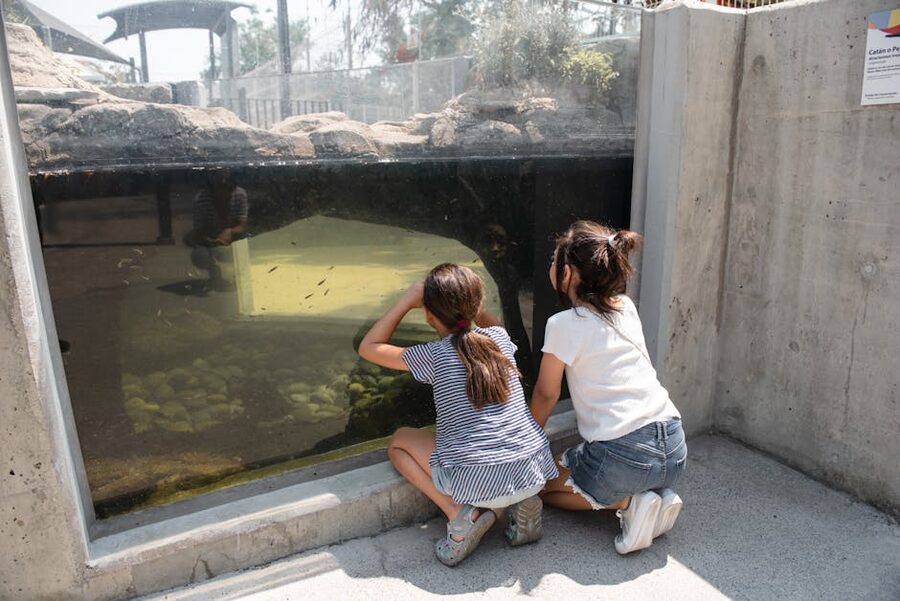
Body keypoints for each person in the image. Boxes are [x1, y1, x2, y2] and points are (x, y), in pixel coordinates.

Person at [358, 263, 558, 567]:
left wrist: (407, 299)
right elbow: (493, 326)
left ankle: (461, 516)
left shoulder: (433, 356)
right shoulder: (500, 341)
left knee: (399, 442)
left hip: (479, 481)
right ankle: (521, 503)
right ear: (477, 305)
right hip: (532, 472)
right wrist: (472, 305)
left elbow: (369, 347)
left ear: (427, 314)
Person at [530, 221, 686, 555]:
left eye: (554, 261)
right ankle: (658, 494)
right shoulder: (625, 307)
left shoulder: (562, 325)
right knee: (566, 463)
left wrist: (525, 443)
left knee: (540, 483)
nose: (550, 267)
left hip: (625, 457)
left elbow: (546, 394)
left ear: (568, 273)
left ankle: (629, 502)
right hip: (674, 446)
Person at [182, 170, 248, 290]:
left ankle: (240, 276)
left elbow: (242, 226)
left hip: (234, 238)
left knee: (246, 247)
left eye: (226, 181)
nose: (223, 184)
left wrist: (230, 231)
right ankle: (214, 271)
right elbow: (199, 230)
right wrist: (213, 241)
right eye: (219, 181)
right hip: (210, 239)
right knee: (199, 255)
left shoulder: (239, 195)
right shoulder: (201, 199)